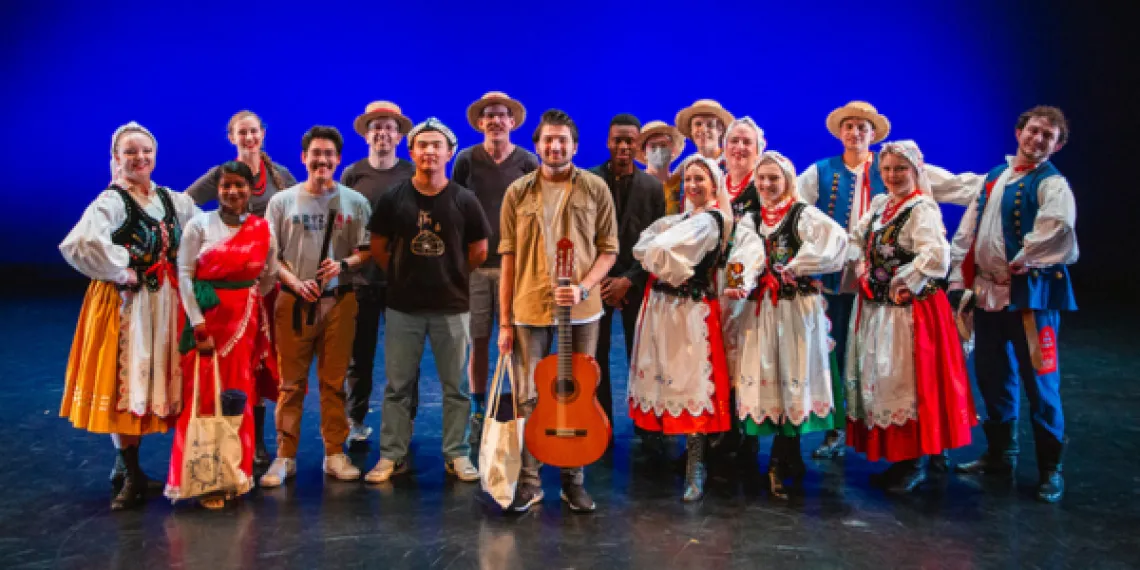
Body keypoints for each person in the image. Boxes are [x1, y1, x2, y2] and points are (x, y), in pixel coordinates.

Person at [799, 101, 981, 460]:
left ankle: (924, 450)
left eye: (862, 127)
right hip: (850, 286)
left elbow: (955, 199)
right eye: (848, 126)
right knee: (850, 359)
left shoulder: (915, 197)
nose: (893, 173)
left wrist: (995, 185)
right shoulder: (831, 176)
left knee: (910, 375)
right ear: (840, 132)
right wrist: (837, 261)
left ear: (872, 134)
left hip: (905, 305)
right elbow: (803, 211)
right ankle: (845, 430)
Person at [59, 121, 200, 510]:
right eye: (131, 153)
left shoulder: (171, 199)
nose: (140, 158)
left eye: (146, 152)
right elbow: (81, 243)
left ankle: (127, 468)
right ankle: (130, 471)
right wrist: (121, 271)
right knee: (126, 380)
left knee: (153, 378)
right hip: (127, 305)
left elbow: (201, 231)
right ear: (117, 159)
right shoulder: (112, 202)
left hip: (165, 304)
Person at [949, 106, 1078, 503]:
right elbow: (969, 229)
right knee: (991, 375)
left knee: (1040, 382)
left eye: (1048, 137)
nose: (1038, 140)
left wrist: (1021, 259)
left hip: (1029, 300)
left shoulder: (1052, 184)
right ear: (1019, 131)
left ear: (1056, 146)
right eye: (1034, 131)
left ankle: (1050, 470)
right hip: (988, 296)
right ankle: (1000, 455)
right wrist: (959, 278)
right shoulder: (995, 177)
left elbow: (1056, 229)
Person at [498, 109, 619, 513]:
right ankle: (530, 482)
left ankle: (573, 480)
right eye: (548, 139)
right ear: (537, 145)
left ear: (575, 146)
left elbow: (609, 249)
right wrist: (504, 321)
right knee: (529, 396)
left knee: (576, 394)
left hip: (582, 311)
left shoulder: (596, 188)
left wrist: (584, 286)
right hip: (529, 306)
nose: (555, 146)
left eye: (562, 140)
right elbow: (508, 259)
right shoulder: (518, 192)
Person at [844, 140, 976, 493]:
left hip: (910, 312)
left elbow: (935, 256)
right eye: (886, 169)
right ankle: (904, 457)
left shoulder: (922, 208)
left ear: (915, 171)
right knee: (885, 379)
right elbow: (855, 239)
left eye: (900, 169)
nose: (892, 176)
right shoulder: (879, 206)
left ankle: (916, 459)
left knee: (909, 381)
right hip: (879, 307)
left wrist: (904, 280)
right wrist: (861, 265)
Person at [363, 118, 490, 484]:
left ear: (450, 153)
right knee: (397, 387)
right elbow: (378, 247)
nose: (430, 151)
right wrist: (404, 274)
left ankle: (457, 454)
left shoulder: (464, 200)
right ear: (412, 151)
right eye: (423, 145)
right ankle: (391, 455)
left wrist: (450, 274)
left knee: (456, 388)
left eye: (437, 145)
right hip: (403, 307)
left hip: (452, 307)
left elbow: (479, 250)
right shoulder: (394, 197)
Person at [723, 151, 848, 499]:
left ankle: (783, 458)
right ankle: (784, 458)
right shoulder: (751, 219)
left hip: (796, 310)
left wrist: (799, 264)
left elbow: (837, 241)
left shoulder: (802, 214)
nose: (766, 184)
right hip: (763, 309)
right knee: (771, 377)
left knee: (792, 376)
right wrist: (739, 281)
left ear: (787, 181)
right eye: (761, 178)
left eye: (773, 178)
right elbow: (742, 255)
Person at [259, 126, 373, 488]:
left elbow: (367, 250)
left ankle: (334, 453)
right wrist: (294, 282)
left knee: (334, 382)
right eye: (315, 154)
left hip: (340, 302)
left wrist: (344, 266)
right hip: (293, 303)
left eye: (329, 155)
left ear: (338, 160)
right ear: (303, 158)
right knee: (290, 384)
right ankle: (284, 456)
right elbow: (270, 256)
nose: (322, 160)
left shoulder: (355, 202)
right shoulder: (281, 203)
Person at [184, 110, 297, 467]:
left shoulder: (282, 176)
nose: (248, 137)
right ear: (231, 137)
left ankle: (259, 440)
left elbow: (292, 221)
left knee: (264, 363)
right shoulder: (223, 175)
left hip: (267, 282)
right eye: (241, 133)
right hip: (228, 289)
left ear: (263, 134)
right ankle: (218, 439)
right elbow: (185, 202)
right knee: (227, 362)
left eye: (253, 131)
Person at [168, 161, 279, 509]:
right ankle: (203, 481)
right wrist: (198, 322)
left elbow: (270, 273)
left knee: (238, 397)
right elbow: (185, 276)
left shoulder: (263, 228)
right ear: (217, 189)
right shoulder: (199, 226)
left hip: (243, 322)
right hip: (206, 323)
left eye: (240, 186)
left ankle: (236, 474)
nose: (233, 192)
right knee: (203, 397)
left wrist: (247, 303)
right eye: (226, 185)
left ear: (251, 190)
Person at [628, 155, 732, 501]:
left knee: (693, 385)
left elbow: (656, 248)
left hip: (689, 311)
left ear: (714, 185)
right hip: (662, 307)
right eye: (688, 179)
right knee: (666, 378)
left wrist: (661, 258)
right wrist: (659, 255)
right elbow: (642, 245)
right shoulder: (681, 219)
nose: (692, 186)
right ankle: (670, 459)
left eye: (700, 179)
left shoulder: (711, 221)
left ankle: (696, 466)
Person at [452, 92, 538, 458]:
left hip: (516, 268)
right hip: (476, 267)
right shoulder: (467, 160)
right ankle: (476, 407)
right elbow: (454, 206)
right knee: (479, 339)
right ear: (480, 122)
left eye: (502, 115)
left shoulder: (527, 161)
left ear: (512, 122)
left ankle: (516, 404)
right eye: (489, 116)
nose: (496, 121)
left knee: (517, 341)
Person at [340, 101, 417, 443]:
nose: (383, 133)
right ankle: (355, 421)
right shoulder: (352, 174)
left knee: (404, 359)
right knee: (359, 356)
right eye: (376, 127)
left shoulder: (411, 174)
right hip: (361, 280)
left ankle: (404, 423)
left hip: (402, 280)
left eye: (389, 127)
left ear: (399, 136)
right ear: (367, 135)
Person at [588, 113, 665, 428]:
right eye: (617, 140)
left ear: (639, 146)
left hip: (636, 282)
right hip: (597, 283)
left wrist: (628, 280)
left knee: (643, 357)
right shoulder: (589, 181)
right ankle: (599, 421)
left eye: (629, 141)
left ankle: (645, 423)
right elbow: (583, 236)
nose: (622, 146)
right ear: (608, 142)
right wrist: (603, 280)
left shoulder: (652, 187)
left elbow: (656, 240)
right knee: (596, 358)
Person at [635, 120, 687, 215]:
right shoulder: (633, 186)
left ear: (673, 150)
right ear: (644, 153)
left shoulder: (682, 185)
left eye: (663, 145)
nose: (659, 150)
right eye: (653, 146)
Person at [674, 99, 734, 166]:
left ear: (720, 130)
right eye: (698, 124)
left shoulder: (732, 161)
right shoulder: (687, 164)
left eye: (710, 125)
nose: (703, 130)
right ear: (691, 130)